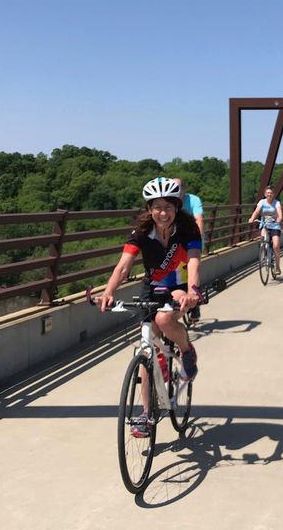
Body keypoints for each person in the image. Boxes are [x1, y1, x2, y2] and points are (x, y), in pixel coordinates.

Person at [100, 177, 202, 436]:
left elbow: (193, 263)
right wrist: (109, 291)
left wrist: (193, 291)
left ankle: (186, 351)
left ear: (177, 207)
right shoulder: (141, 233)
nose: (163, 213)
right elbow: (123, 266)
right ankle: (146, 414)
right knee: (147, 351)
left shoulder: (189, 229)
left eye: (168, 206)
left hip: (180, 287)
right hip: (152, 287)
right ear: (149, 209)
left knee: (165, 321)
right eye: (157, 207)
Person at [174, 178, 204, 319]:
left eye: (178, 187)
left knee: (192, 269)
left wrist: (197, 237)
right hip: (174, 241)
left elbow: (199, 219)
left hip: (191, 239)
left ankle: (195, 303)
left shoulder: (193, 200)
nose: (176, 190)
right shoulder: (169, 200)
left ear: (184, 189)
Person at [248, 186, 283, 276]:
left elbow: (280, 214)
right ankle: (264, 254)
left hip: (275, 225)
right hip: (265, 225)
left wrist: (279, 219)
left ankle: (278, 267)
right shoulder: (262, 202)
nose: (269, 194)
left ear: (273, 194)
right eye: (267, 193)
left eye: (271, 193)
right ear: (265, 194)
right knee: (263, 238)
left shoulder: (276, 203)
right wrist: (252, 218)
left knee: (276, 246)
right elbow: (256, 211)